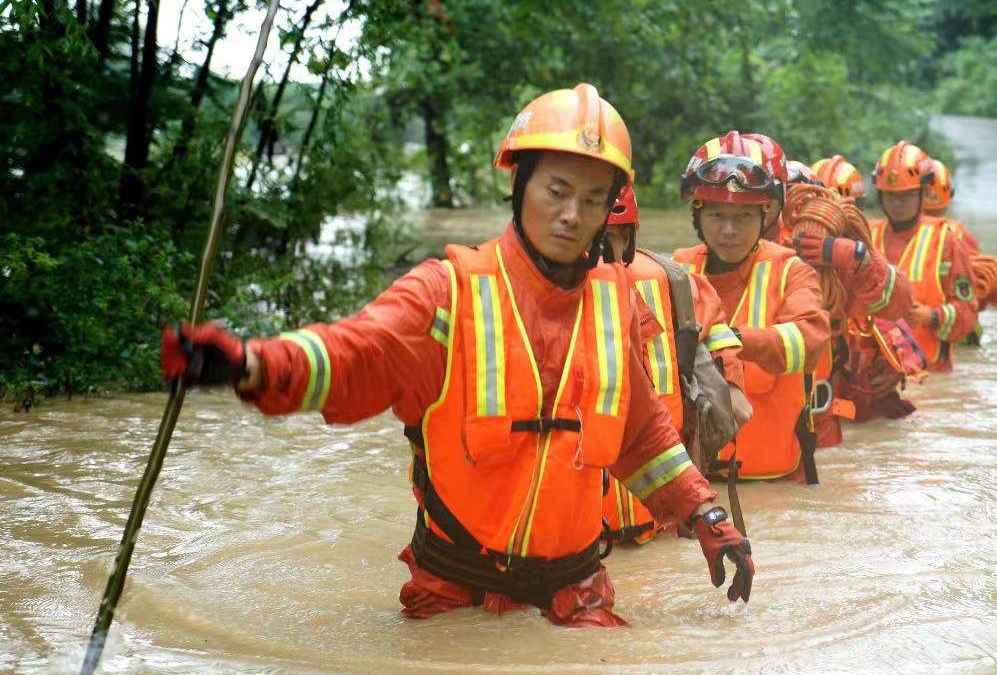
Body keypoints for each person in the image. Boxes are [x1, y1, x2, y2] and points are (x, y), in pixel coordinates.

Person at [160, 84, 754, 627]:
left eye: (594, 199)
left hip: (577, 597)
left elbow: (638, 435)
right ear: (520, 185)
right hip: (455, 597)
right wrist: (254, 364)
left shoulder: (614, 303)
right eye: (557, 191)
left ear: (609, 211)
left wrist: (703, 514)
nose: (573, 214)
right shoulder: (449, 291)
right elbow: (358, 353)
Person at [672, 131, 830, 482]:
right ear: (697, 215)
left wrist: (731, 340)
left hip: (778, 481)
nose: (729, 230)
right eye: (716, 215)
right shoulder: (676, 271)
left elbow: (809, 342)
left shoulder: (793, 271)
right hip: (696, 486)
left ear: (766, 214)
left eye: (743, 216)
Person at [599, 184, 750, 546]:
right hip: (662, 524)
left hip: (597, 539)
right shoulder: (676, 279)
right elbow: (738, 410)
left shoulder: (674, 281)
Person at [762, 145, 913, 448]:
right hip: (761, 411)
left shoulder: (837, 263)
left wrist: (861, 258)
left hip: (821, 416)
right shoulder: (728, 252)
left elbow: (897, 303)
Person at [868, 141, 978, 373]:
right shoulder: (866, 236)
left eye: (906, 196)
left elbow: (968, 314)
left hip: (929, 375)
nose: (897, 204)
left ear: (923, 193)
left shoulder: (946, 241)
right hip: (875, 377)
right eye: (890, 196)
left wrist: (932, 316)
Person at [922, 158, 997, 346]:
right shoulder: (961, 235)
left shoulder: (888, 234)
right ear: (949, 196)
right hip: (960, 334)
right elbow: (977, 297)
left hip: (920, 334)